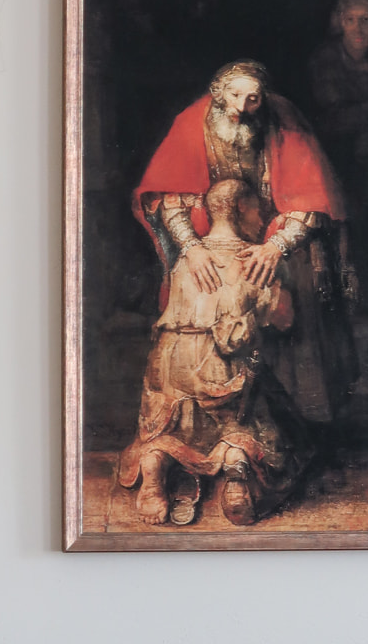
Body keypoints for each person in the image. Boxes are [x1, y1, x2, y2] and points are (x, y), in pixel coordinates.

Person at [131, 59, 357, 427]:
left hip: (273, 234)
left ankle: (297, 419)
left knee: (293, 276)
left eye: (253, 99)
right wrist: (192, 248)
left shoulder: (282, 121)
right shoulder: (192, 123)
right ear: (218, 93)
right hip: (210, 234)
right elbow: (171, 198)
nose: (241, 107)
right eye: (235, 96)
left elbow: (311, 199)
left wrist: (276, 246)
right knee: (201, 285)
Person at [119, 180, 310, 526]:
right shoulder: (254, 259)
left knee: (167, 429)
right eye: (257, 210)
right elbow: (283, 319)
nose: (260, 218)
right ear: (241, 209)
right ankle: (236, 473)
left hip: (170, 365)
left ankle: (154, 470)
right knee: (254, 427)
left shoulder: (187, 258)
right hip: (221, 369)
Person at [308, 0, 368, 309]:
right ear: (340, 22)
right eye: (351, 19)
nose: (358, 28)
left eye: (367, 19)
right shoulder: (326, 60)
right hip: (336, 155)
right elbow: (333, 115)